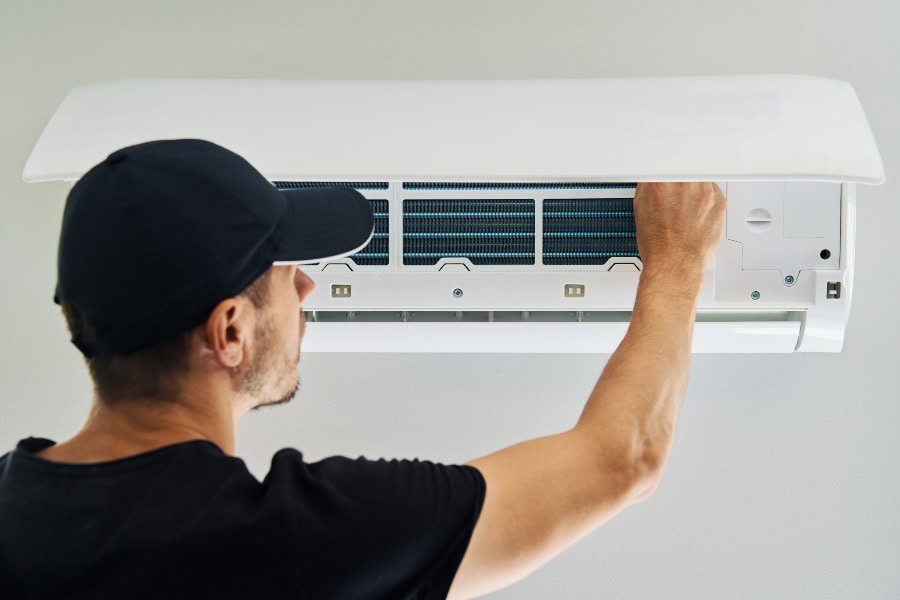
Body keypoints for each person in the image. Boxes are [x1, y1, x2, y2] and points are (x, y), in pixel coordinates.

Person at [0, 139, 725, 599]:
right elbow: (622, 459)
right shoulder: (300, 541)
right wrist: (678, 264)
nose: (307, 287)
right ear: (230, 331)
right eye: (285, 271)